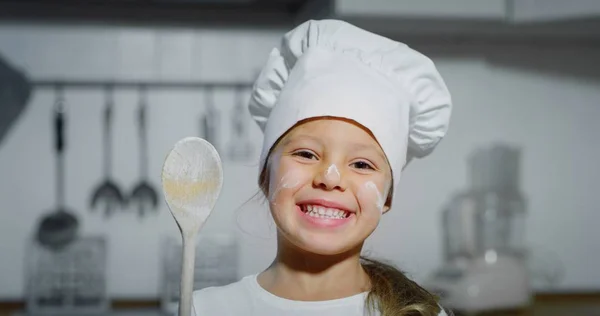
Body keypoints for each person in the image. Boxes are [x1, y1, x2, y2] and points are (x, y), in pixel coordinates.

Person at [192, 19, 452, 316]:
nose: (330, 178)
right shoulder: (205, 309)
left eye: (361, 164)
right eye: (306, 154)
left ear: (387, 198)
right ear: (266, 174)